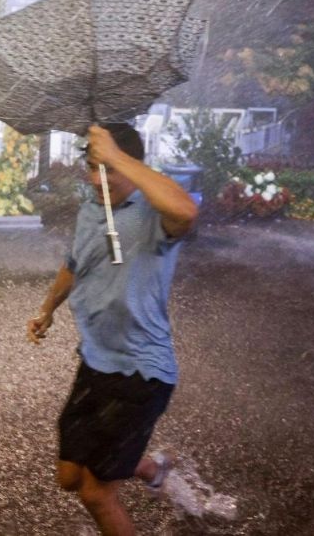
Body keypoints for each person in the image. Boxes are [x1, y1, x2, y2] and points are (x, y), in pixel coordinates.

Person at [27, 122, 198, 536]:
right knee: (69, 477)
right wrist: (48, 308)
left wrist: (116, 156)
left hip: (142, 373)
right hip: (96, 363)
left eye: (108, 170)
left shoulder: (154, 215)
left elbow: (186, 211)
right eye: (92, 168)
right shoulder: (90, 211)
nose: (98, 180)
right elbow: (74, 264)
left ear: (132, 166)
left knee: (96, 493)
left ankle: (136, 466)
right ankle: (153, 467)